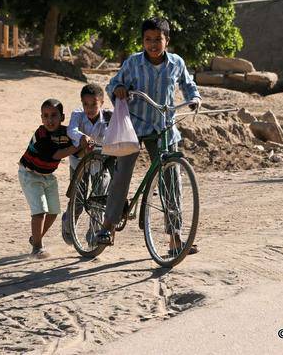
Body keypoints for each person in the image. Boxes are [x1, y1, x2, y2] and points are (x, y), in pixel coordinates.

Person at [96, 17, 201, 254]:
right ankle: (108, 226)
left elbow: (188, 85)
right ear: (143, 41)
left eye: (158, 40)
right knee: (122, 174)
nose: (153, 44)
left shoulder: (176, 63)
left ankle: (175, 238)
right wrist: (119, 90)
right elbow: (113, 85)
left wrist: (194, 98)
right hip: (133, 127)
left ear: (167, 41)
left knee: (171, 181)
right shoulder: (133, 62)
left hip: (163, 126)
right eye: (148, 40)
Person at [19, 99, 81, 258]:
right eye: (45, 116)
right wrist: (78, 145)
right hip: (30, 174)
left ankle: (36, 238)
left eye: (54, 115)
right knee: (39, 212)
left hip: (48, 176)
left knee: (53, 212)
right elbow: (57, 154)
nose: (50, 120)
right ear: (41, 118)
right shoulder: (41, 134)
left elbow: (76, 147)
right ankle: (37, 248)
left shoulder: (66, 133)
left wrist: (84, 142)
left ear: (62, 117)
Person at [61, 84, 112, 245]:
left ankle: (94, 236)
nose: (89, 108)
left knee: (99, 199)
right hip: (79, 163)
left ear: (102, 103)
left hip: (101, 164)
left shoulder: (110, 117)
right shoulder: (78, 114)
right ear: (81, 103)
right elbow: (71, 130)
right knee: (78, 199)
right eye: (86, 104)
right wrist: (83, 137)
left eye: (94, 104)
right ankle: (68, 224)